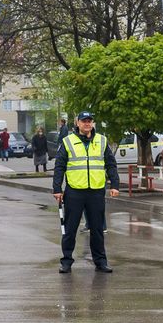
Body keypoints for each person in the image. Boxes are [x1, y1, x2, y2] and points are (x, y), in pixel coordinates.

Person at [52, 111, 120, 273]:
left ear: (93, 123)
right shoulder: (68, 141)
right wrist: (57, 189)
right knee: (70, 229)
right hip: (75, 191)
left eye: (89, 121)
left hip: (96, 192)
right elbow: (59, 166)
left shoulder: (101, 141)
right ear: (77, 123)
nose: (87, 124)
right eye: (84, 121)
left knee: (97, 229)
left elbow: (111, 164)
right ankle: (66, 261)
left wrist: (115, 185)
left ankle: (100, 261)